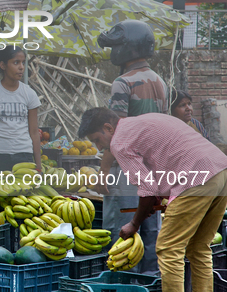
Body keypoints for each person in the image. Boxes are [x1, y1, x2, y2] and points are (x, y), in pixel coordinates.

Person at [78, 107, 227, 292]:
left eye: (97, 140)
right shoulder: (140, 121)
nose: (99, 148)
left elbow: (147, 188)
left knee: (169, 249)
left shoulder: (119, 142)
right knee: (198, 248)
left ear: (108, 128)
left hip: (195, 178)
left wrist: (134, 223)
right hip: (220, 170)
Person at [96, 19, 168, 275]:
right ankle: (152, 285)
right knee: (150, 236)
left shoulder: (123, 83)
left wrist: (103, 173)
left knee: (123, 237)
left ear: (128, 47)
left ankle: (125, 285)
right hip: (154, 172)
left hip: (127, 174)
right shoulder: (160, 82)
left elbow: (116, 136)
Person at [0, 46, 42, 174]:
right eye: (16, 62)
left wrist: (38, 166)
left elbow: (34, 132)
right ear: (3, 65)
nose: (21, 67)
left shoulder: (29, 94)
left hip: (24, 156)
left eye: (23, 63)